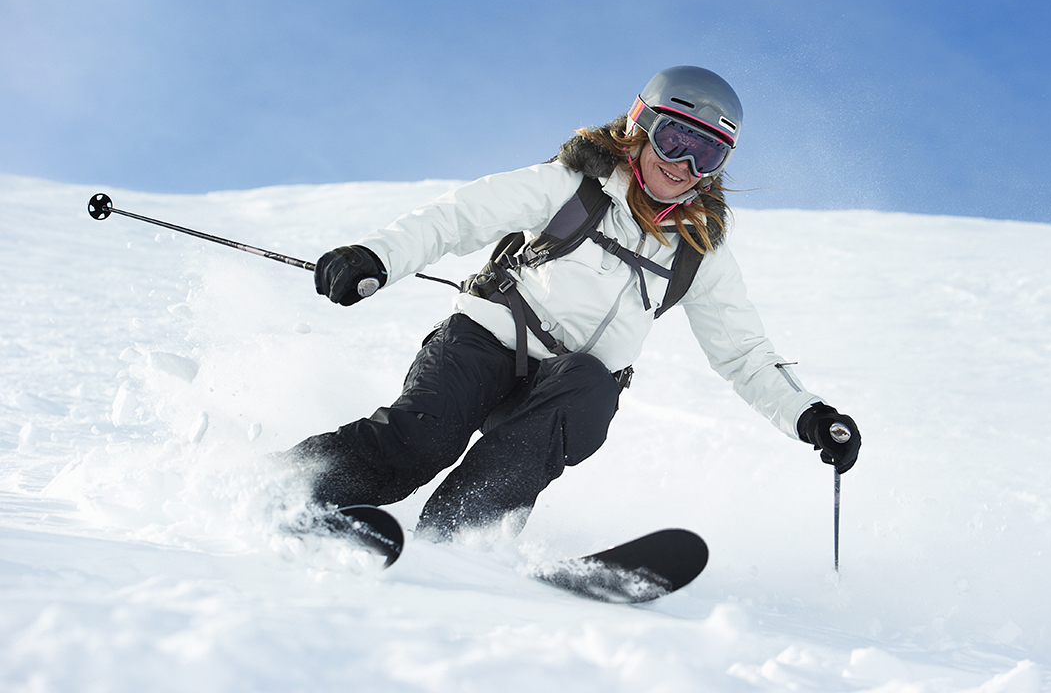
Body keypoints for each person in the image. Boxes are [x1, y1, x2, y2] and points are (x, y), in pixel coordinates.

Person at [283, 66, 861, 540]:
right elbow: (460, 217)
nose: (683, 165)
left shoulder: (698, 251)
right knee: (421, 441)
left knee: (590, 386)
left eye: (705, 156)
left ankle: (460, 535)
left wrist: (810, 415)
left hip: (563, 387)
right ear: (641, 127)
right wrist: (377, 256)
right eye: (674, 140)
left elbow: (745, 355)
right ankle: (290, 487)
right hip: (482, 344)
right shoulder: (572, 186)